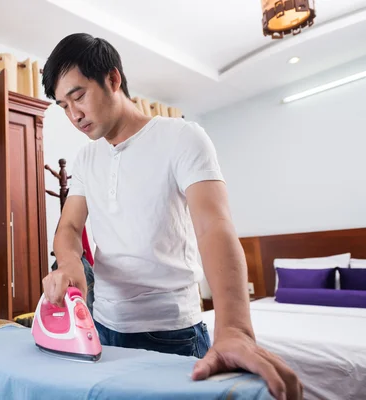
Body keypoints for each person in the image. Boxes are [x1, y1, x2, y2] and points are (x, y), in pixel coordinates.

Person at [41, 33, 302, 400]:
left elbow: (214, 227)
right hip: (102, 326)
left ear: (113, 80)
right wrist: (68, 263)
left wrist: (236, 329)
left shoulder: (182, 138)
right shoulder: (86, 159)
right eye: (62, 106)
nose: (74, 115)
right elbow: (69, 226)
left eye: (79, 96)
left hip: (171, 331)